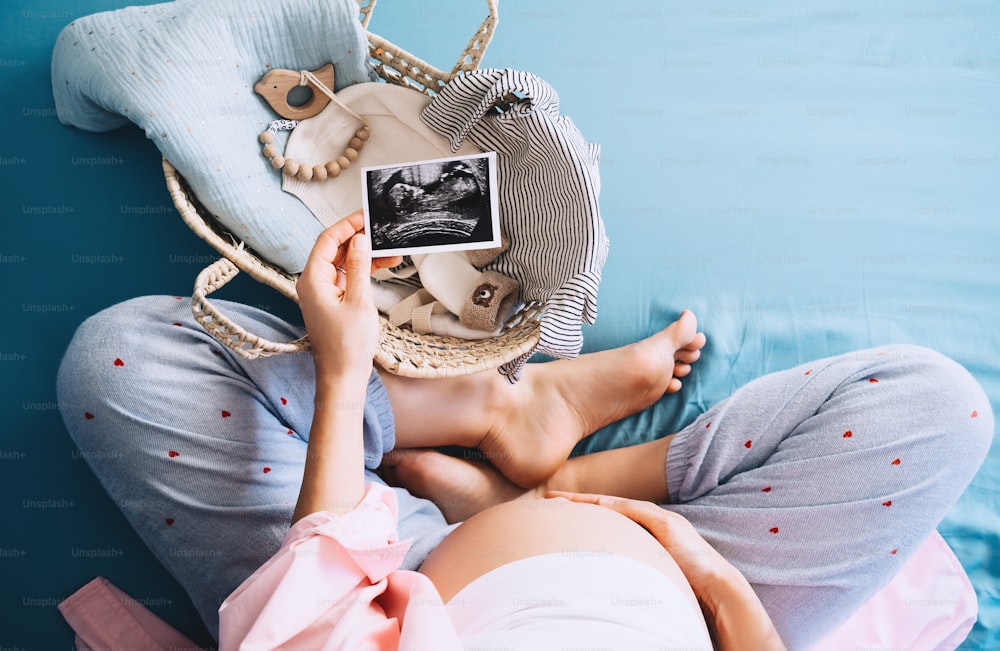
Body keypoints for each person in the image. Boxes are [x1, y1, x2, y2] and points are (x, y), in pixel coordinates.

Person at [57, 213, 992, 650]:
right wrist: (717, 585)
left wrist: (347, 374)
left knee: (116, 364)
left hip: (396, 570)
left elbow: (321, 589)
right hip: (693, 575)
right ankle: (533, 451)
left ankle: (482, 418)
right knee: (937, 409)